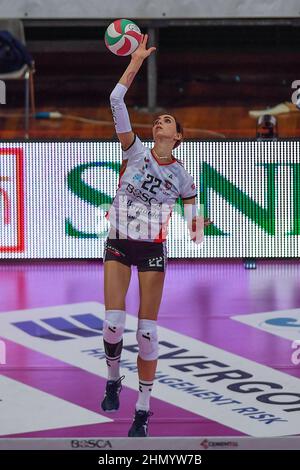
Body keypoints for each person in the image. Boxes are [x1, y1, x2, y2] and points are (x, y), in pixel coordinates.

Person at [101, 34, 211, 437]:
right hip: (118, 241)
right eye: (158, 119)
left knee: (146, 331)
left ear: (177, 136)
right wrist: (137, 61)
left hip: (151, 249)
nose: (160, 121)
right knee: (113, 323)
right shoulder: (134, 151)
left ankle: (143, 408)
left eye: (167, 121)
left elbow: (194, 219)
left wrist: (197, 227)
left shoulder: (182, 175)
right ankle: (113, 377)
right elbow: (116, 101)